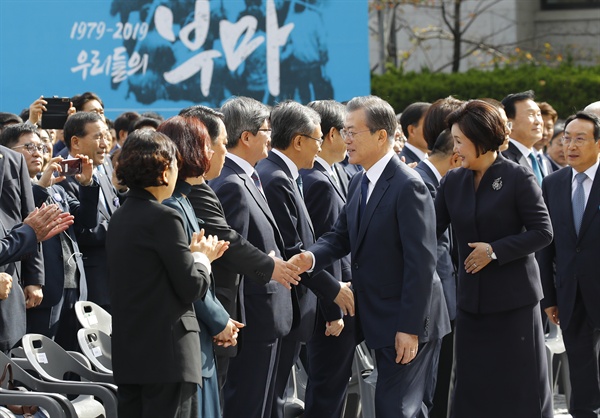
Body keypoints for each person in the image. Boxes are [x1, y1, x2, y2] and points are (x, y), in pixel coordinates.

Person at [292, 95, 450, 417]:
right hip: (380, 316)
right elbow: (341, 236)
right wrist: (310, 258)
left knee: (395, 408)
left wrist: (409, 328)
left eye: (353, 132)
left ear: (382, 136)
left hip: (407, 319)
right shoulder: (360, 182)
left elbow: (421, 263)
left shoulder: (408, 185)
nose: (345, 139)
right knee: (400, 407)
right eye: (345, 131)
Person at [435, 100, 553, 417]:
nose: (454, 147)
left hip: (515, 303)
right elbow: (429, 229)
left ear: (481, 138)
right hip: (471, 303)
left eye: (460, 140)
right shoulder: (452, 181)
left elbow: (543, 232)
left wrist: (494, 250)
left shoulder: (518, 177)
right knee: (472, 387)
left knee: (519, 386)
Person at [180, 104, 301, 405]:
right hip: (230, 312)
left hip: (241, 314)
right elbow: (227, 241)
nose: (218, 151)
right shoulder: (217, 186)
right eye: (217, 144)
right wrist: (269, 266)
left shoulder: (223, 181)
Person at [106, 129, 226, 418]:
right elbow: (191, 287)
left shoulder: (120, 216)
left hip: (131, 355)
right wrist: (202, 257)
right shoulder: (164, 217)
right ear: (164, 169)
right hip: (169, 357)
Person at [255, 100, 354, 418]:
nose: (321, 146)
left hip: (300, 306)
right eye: (317, 138)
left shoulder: (285, 174)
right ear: (299, 140)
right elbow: (293, 249)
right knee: (271, 400)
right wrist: (333, 292)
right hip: (286, 303)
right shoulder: (276, 178)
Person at [208, 96, 296, 418]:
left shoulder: (247, 177)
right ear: (246, 137)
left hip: (265, 314)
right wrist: (271, 265)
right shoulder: (230, 183)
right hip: (252, 317)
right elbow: (230, 255)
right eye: (265, 130)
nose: (270, 138)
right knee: (248, 405)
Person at [159, 115, 241, 417]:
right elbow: (188, 277)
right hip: (184, 338)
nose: (217, 152)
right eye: (209, 145)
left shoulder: (183, 200)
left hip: (199, 333)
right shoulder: (171, 208)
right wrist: (221, 321)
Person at [0, 123, 98, 351]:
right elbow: (28, 222)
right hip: (39, 288)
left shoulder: (59, 189)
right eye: (29, 146)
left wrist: (87, 185)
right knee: (39, 355)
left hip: (72, 285)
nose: (38, 152)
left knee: (70, 353)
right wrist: (35, 279)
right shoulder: (37, 185)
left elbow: (86, 223)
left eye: (42, 147)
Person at [540, 111, 600, 418]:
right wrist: (549, 297)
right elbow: (546, 246)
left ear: (598, 143)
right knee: (580, 365)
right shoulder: (553, 184)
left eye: (580, 139)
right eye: (566, 138)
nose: (570, 146)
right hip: (570, 292)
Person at [300, 100, 356, 418]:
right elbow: (323, 247)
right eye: (346, 132)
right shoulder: (316, 181)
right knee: (327, 388)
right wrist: (332, 308)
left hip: (341, 297)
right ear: (331, 134)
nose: (349, 140)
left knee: (336, 385)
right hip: (330, 303)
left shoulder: (335, 173)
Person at [0, 137, 74, 353]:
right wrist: (29, 233)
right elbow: (31, 229)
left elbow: (28, 215)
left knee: (12, 350)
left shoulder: (12, 159)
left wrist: (34, 278)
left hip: (13, 267)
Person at [59, 112, 120, 312]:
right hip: (90, 285)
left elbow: (114, 213)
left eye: (106, 136)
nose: (105, 144)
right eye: (98, 137)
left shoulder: (102, 174)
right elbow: (84, 231)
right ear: (75, 142)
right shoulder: (59, 179)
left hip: (117, 282)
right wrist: (125, 228)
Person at [501, 90, 546, 185]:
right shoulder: (503, 159)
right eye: (531, 115)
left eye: (538, 114)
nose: (538, 121)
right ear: (509, 123)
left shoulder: (541, 159)